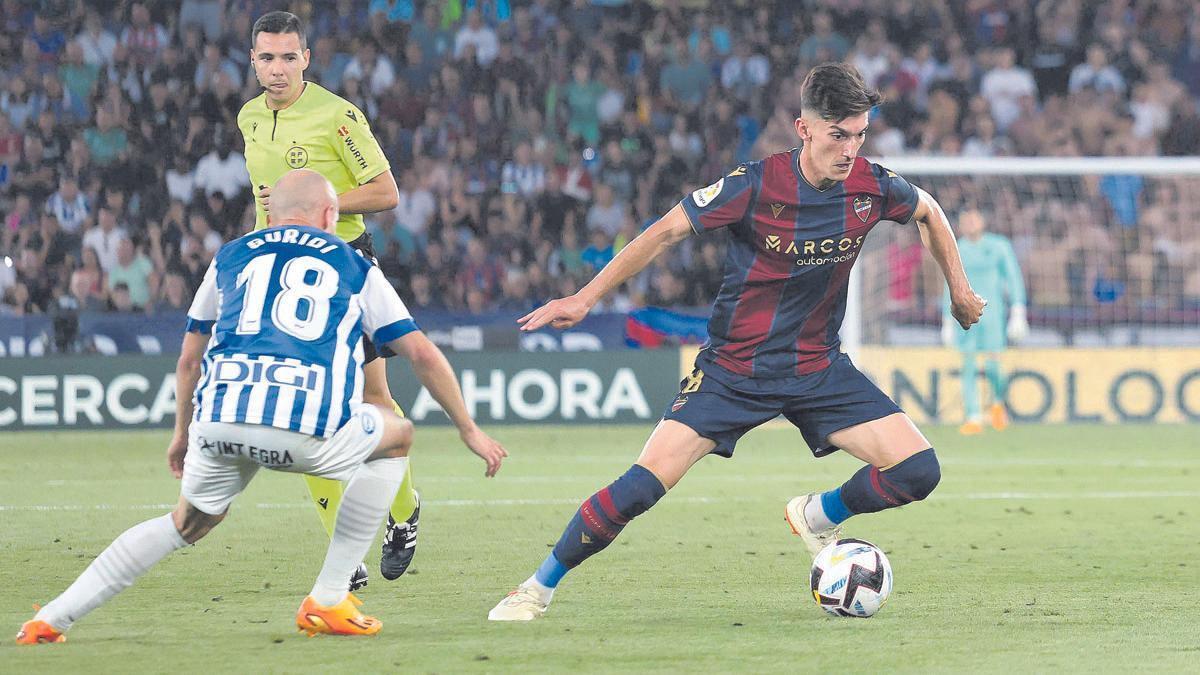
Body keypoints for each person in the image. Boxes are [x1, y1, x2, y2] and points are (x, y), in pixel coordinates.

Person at [488, 63, 986, 621]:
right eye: (838, 135)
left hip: (817, 369)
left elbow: (929, 212)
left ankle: (818, 514)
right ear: (804, 129)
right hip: (733, 370)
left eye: (860, 134)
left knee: (919, 471)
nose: (850, 149)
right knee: (640, 489)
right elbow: (667, 230)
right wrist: (584, 298)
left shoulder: (872, 186)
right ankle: (536, 588)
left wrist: (960, 291)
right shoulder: (754, 184)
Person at [17, 170, 507, 644]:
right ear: (329, 214)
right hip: (304, 427)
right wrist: (467, 428)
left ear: (271, 215)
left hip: (221, 419)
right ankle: (330, 597)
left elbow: (190, 358)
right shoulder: (353, 264)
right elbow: (420, 353)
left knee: (185, 523)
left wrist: (182, 433)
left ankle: (54, 617)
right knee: (397, 434)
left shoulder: (229, 257)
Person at [237, 11, 421, 587]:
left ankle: (403, 512)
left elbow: (387, 191)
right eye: (266, 57)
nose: (276, 69)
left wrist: (319, 203)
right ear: (253, 60)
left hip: (344, 267)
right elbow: (263, 202)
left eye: (288, 57)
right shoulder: (248, 118)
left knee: (374, 399)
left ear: (306, 59)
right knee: (297, 410)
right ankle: (348, 555)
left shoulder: (338, 116)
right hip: (284, 270)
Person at [941, 209, 1027, 434]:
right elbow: (948, 283)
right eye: (965, 219)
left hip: (993, 314)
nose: (969, 223)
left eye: (973, 218)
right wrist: (946, 320)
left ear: (983, 221)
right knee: (968, 365)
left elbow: (1013, 277)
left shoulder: (999, 246)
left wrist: (1018, 310)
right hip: (964, 315)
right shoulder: (956, 247)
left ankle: (997, 403)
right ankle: (973, 417)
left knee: (993, 366)